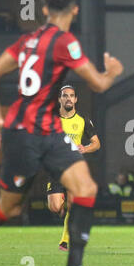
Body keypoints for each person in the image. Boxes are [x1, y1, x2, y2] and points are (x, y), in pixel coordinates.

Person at [0, 0, 123, 266]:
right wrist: (112, 74)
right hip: (25, 135)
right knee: (10, 207)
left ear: (44, 8)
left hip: (49, 131)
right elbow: (96, 83)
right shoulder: (65, 42)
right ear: (74, 11)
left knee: (85, 188)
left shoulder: (27, 40)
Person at [47, 84, 101, 252]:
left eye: (71, 95)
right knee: (56, 207)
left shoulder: (83, 120)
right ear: (60, 99)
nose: (68, 98)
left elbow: (97, 143)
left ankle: (65, 240)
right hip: (56, 168)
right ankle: (63, 211)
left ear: (76, 99)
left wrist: (85, 148)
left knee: (72, 204)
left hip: (74, 167)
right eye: (65, 95)